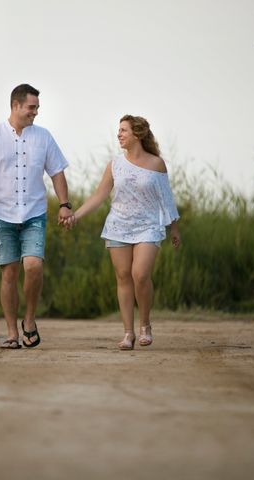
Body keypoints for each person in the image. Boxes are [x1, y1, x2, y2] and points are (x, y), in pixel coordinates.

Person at [63, 114, 181, 350]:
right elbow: (99, 196)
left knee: (140, 274)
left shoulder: (156, 164)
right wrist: (76, 215)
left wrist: (174, 227)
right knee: (123, 276)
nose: (119, 134)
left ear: (137, 134)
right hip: (118, 226)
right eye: (119, 130)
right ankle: (128, 333)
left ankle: (145, 324)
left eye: (124, 130)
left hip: (148, 226)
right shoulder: (115, 164)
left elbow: (166, 198)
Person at [0, 84, 73, 349]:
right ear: (15, 106)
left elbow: (57, 172)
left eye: (37, 107)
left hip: (34, 213)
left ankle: (29, 319)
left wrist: (65, 204)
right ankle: (11, 333)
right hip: (2, 215)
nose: (35, 112)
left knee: (33, 266)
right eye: (31, 107)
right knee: (9, 274)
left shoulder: (44, 137)